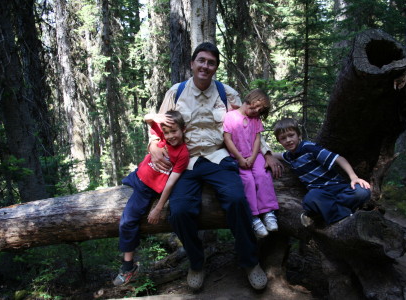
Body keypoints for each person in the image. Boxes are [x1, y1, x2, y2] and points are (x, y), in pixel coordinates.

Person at [148, 42, 283, 291]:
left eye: (211, 62)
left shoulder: (225, 93)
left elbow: (248, 122)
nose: (205, 66)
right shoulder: (176, 93)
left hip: (219, 157)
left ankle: (249, 262)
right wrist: (154, 146)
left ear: (215, 67)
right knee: (179, 211)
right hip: (185, 162)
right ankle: (197, 263)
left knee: (236, 200)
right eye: (201, 60)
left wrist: (268, 152)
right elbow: (159, 125)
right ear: (192, 63)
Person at [113, 110, 189, 286]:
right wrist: (158, 118)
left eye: (174, 131)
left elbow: (171, 182)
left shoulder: (183, 154)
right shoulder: (162, 136)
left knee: (127, 222)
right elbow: (147, 118)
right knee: (126, 217)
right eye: (167, 132)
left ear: (183, 129)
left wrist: (158, 207)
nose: (170, 136)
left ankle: (127, 267)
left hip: (147, 190)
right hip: (137, 176)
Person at [272, 117, 371, 226]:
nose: (288, 140)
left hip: (337, 187)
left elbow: (339, 158)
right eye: (283, 138)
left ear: (298, 135)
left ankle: (334, 213)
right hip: (320, 193)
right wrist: (267, 156)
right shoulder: (289, 156)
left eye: (291, 135)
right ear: (279, 141)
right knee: (310, 199)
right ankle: (345, 214)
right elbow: (274, 155)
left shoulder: (308, 148)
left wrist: (354, 177)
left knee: (363, 191)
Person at [223, 89, 279, 238]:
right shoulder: (230, 117)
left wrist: (254, 157)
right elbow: (227, 139)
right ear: (248, 99)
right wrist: (240, 158)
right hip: (237, 157)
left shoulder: (256, 120)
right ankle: (254, 217)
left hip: (254, 156)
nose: (255, 112)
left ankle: (268, 212)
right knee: (247, 180)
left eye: (259, 111)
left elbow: (257, 139)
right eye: (254, 107)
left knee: (262, 175)